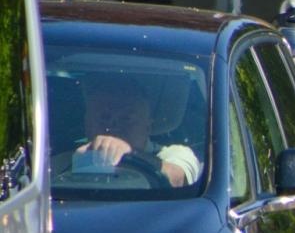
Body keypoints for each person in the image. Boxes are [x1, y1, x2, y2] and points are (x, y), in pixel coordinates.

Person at [67, 74, 200, 188]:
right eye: (104, 118)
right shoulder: (64, 161)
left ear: (147, 127)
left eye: (126, 119)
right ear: (87, 124)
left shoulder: (175, 154)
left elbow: (177, 179)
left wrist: (130, 154)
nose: (113, 126)